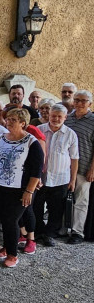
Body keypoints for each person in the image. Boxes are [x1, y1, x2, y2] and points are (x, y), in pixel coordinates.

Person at [0, 108, 43, 268]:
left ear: (23, 123)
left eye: (14, 119)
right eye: (8, 119)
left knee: (11, 220)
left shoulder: (31, 142)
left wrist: (29, 191)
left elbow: (36, 170)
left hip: (20, 189)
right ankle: (6, 247)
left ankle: (13, 255)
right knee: (2, 219)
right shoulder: (0, 139)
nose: (9, 122)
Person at [35, 104, 79, 247]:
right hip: (41, 178)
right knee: (37, 206)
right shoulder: (39, 130)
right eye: (54, 115)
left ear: (65, 118)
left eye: (60, 116)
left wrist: (72, 180)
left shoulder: (71, 134)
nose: (56, 119)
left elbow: (74, 159)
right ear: (49, 115)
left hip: (61, 178)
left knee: (56, 209)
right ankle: (38, 231)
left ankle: (49, 234)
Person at [62, 90, 94, 244]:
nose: (79, 103)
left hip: (84, 168)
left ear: (90, 103)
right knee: (62, 199)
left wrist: (92, 169)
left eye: (83, 100)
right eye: (77, 100)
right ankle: (61, 229)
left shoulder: (93, 120)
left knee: (81, 201)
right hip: (64, 168)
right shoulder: (66, 118)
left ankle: (77, 232)